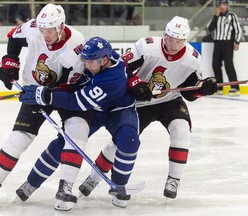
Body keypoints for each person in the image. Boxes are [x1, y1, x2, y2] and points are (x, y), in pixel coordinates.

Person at [77, 16, 217, 200]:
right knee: (119, 143)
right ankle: (93, 178)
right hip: (141, 102)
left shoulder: (192, 59)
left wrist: (202, 89)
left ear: (185, 40)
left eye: (179, 40)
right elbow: (120, 66)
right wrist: (135, 82)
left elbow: (189, 94)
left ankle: (174, 179)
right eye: (170, 38)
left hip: (170, 101)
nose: (173, 44)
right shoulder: (146, 46)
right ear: (164, 34)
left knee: (181, 130)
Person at [0, 3, 89, 208]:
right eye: (42, 30)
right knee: (18, 138)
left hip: (66, 92)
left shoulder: (76, 41)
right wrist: (9, 64)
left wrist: (43, 95)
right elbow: (13, 38)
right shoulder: (33, 27)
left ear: (61, 27)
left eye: (50, 31)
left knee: (76, 133)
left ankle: (65, 188)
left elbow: (65, 81)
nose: (45, 35)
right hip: (34, 88)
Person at [17, 36, 141, 209]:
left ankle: (119, 186)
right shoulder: (104, 57)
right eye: (86, 60)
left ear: (104, 60)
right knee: (63, 143)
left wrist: (45, 96)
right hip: (95, 110)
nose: (87, 65)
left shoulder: (112, 79)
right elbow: (76, 82)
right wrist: (51, 89)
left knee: (130, 141)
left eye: (91, 62)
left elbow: (76, 102)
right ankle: (31, 183)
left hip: (119, 111)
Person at [208, 0, 242, 96]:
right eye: (220, 5)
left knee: (228, 65)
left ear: (227, 6)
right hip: (217, 43)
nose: (222, 6)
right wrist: (216, 16)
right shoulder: (216, 16)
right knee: (215, 64)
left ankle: (235, 87)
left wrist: (237, 42)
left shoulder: (231, 16)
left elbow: (238, 30)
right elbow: (210, 28)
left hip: (227, 43)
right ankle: (220, 87)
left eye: (224, 5)